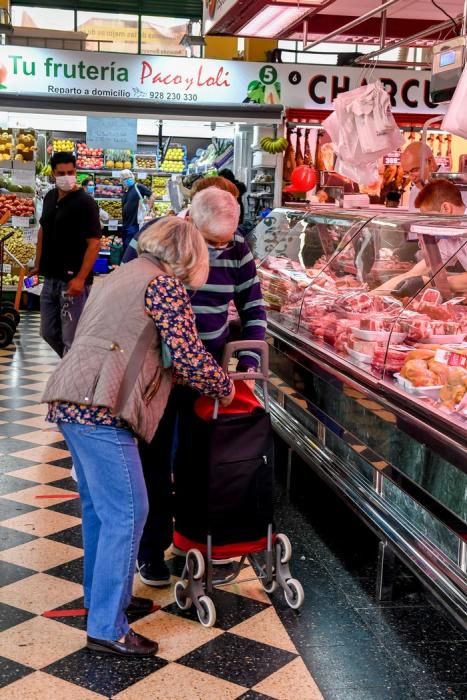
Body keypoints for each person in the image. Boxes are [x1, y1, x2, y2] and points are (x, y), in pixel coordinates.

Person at [42, 217, 235, 658]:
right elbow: (187, 356)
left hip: (72, 397)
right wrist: (226, 383)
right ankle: (108, 628)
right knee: (131, 511)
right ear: (189, 255)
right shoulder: (163, 285)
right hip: (102, 405)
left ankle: (100, 602)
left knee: (101, 510)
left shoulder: (121, 274)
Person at [137, 187, 267, 586]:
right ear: (191, 221)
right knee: (154, 462)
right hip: (156, 374)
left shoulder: (238, 246)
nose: (219, 250)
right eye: (212, 243)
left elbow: (254, 306)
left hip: (207, 375)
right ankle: (152, 549)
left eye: (225, 242)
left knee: (202, 460)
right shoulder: (157, 241)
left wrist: (248, 361)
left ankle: (200, 540)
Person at [33, 152, 102, 357]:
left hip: (73, 282)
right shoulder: (50, 197)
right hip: (50, 278)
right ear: (53, 174)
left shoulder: (86, 203)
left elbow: (95, 243)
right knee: (48, 332)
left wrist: (81, 278)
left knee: (71, 339)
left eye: (71, 172)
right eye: (61, 173)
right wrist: (38, 263)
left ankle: (74, 382)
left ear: (76, 172)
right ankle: (72, 369)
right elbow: (43, 230)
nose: (66, 176)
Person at [377, 179, 467, 297]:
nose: (429, 225)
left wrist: (429, 283)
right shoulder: (451, 235)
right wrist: (373, 294)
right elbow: (415, 273)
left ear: (446, 208)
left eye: (430, 219)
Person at [121, 175, 240, 264]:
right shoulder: (153, 232)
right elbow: (126, 275)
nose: (218, 249)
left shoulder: (237, 241)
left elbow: (250, 294)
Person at [121, 169, 156, 251]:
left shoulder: (138, 187)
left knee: (131, 248)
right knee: (126, 246)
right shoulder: (126, 191)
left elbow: (153, 195)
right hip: (126, 224)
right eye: (125, 178)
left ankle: (130, 262)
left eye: (129, 177)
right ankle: (127, 263)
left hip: (134, 225)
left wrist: (148, 209)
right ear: (122, 181)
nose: (128, 179)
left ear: (133, 177)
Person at [400, 142, 438, 211]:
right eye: (407, 173)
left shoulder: (457, 187)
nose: (412, 178)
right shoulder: (414, 191)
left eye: (415, 170)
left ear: (430, 162)